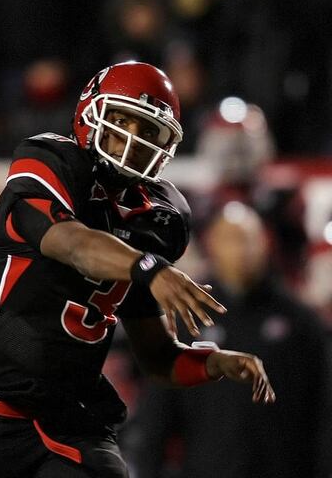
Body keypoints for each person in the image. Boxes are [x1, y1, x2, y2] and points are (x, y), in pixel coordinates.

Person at [0, 61, 276, 478]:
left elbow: (158, 358)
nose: (133, 138)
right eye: (124, 120)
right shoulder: (49, 160)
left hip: (73, 417)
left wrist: (215, 362)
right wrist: (148, 268)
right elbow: (70, 243)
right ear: (90, 113)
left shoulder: (160, 219)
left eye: (149, 130)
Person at [129, 201, 331, 478]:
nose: (241, 250)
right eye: (231, 240)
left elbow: (323, 410)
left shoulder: (300, 322)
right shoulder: (189, 319)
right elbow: (157, 413)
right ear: (213, 245)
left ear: (264, 244)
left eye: (249, 239)